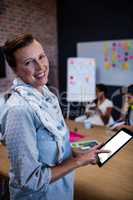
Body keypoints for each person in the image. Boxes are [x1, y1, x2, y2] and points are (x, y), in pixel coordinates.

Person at [0, 33, 109, 200]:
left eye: (41, 56)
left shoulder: (48, 95)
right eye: (29, 62)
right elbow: (30, 180)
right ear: (15, 70)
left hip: (61, 191)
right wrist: (77, 162)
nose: (40, 67)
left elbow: (56, 147)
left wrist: (79, 154)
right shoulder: (19, 110)